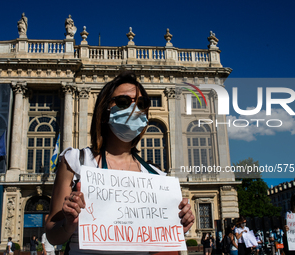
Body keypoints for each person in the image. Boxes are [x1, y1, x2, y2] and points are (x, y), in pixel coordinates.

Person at [45, 71, 195, 254]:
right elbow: (52, 235)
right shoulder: (76, 161)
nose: (134, 109)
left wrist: (177, 227)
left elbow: (159, 248)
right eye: (123, 102)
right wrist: (68, 225)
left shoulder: (157, 177)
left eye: (141, 104)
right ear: (105, 109)